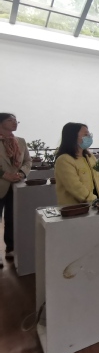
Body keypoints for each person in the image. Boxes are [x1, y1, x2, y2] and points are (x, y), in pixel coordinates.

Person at [0, 113, 31, 266]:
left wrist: (22, 173)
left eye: (16, 121)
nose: (14, 123)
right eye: (10, 120)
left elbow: (27, 161)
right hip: (1, 183)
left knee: (11, 218)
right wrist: (5, 174)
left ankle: (10, 248)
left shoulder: (21, 141)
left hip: (16, 186)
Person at [54, 122, 99, 205]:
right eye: (86, 135)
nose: (89, 137)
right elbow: (74, 186)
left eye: (89, 134)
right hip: (76, 208)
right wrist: (94, 201)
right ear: (73, 137)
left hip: (96, 206)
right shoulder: (64, 160)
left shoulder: (90, 157)